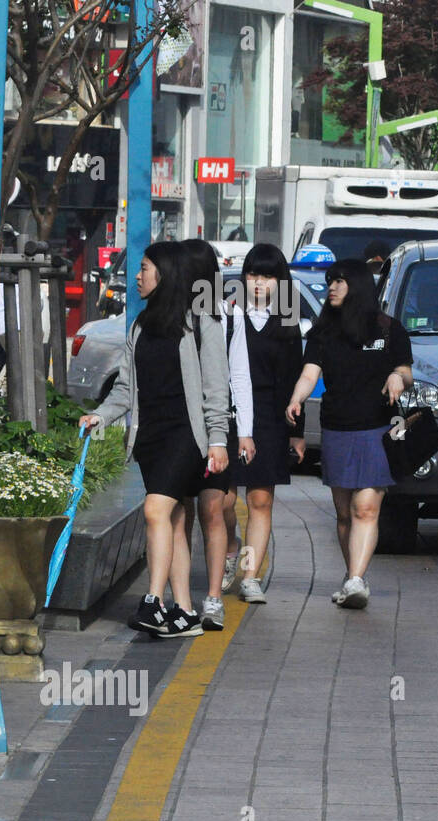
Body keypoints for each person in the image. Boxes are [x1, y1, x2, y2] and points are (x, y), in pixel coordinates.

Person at [79, 241, 230, 637]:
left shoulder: (202, 323)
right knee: (175, 519)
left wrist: (218, 440)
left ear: (164, 273)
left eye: (144, 268)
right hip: (151, 434)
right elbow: (125, 389)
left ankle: (152, 600)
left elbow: (217, 389)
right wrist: (101, 416)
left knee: (154, 510)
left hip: (187, 436)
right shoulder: (140, 325)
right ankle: (182, 613)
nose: (138, 276)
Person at [286, 259, 412, 609]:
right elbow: (310, 374)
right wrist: (297, 397)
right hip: (337, 429)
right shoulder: (323, 332)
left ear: (357, 286)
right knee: (344, 514)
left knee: (366, 508)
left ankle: (357, 579)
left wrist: (397, 378)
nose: (332, 288)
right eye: (330, 282)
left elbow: (405, 370)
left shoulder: (389, 329)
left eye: (339, 282)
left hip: (377, 429)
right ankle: (351, 575)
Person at [220, 244, 306, 605]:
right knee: (221, 501)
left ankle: (250, 575)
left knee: (260, 500)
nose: (259, 282)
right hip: (228, 415)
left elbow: (294, 380)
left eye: (267, 276)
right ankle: (228, 547)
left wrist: (297, 434)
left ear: (279, 281)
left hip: (270, 417)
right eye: (253, 274)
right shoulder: (227, 315)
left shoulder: (287, 323)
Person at [179, 238, 242, 631]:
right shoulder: (169, 314)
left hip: (217, 427)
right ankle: (181, 597)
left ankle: (213, 598)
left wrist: (234, 435)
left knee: (211, 510)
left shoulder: (222, 316)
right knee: (179, 513)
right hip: (181, 429)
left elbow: (237, 379)